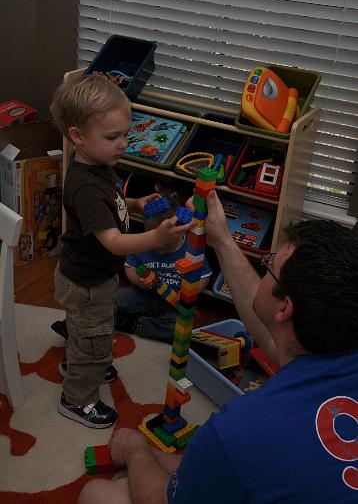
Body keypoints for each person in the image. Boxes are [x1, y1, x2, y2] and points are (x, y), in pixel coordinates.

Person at [78, 189, 358, 503]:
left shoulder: (237, 430)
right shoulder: (332, 342)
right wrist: (222, 238)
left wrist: (135, 450)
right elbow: (269, 336)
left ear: (284, 309)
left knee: (100, 493)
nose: (263, 270)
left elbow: (160, 499)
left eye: (268, 266)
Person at [50, 74, 195, 429]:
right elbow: (114, 241)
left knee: (92, 329)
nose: (123, 144)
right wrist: (157, 237)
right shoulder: (84, 184)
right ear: (78, 137)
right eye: (112, 137)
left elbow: (109, 204)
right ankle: (77, 398)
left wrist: (133, 202)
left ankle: (80, 357)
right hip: (87, 281)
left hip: (94, 275)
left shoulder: (99, 167)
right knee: (94, 335)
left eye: (125, 134)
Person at [116, 200, 212, 343]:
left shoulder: (191, 249)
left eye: (166, 244)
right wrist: (138, 280)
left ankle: (135, 324)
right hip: (144, 295)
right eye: (155, 241)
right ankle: (126, 317)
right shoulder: (142, 243)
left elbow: (204, 275)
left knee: (179, 329)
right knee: (112, 299)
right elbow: (130, 266)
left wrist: (189, 292)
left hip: (172, 304)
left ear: (181, 231)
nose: (159, 248)